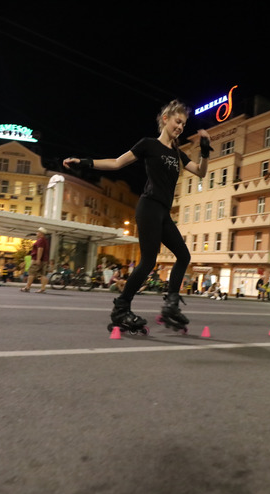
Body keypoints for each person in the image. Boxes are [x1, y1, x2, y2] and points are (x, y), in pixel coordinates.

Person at [63, 100, 209, 330]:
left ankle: (171, 305)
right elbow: (117, 163)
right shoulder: (148, 145)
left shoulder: (178, 154)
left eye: (184, 123)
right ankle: (121, 309)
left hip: (163, 211)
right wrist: (84, 162)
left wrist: (205, 150)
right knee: (149, 261)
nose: (181, 127)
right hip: (149, 206)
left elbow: (200, 171)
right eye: (177, 121)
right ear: (165, 119)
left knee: (183, 255)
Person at [21, 228, 50, 293]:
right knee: (42, 274)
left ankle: (27, 287)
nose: (36, 233)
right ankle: (43, 288)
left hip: (38, 259)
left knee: (31, 273)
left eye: (38, 232)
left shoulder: (40, 240)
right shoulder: (45, 240)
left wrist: (38, 259)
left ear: (41, 234)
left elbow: (40, 249)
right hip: (44, 260)